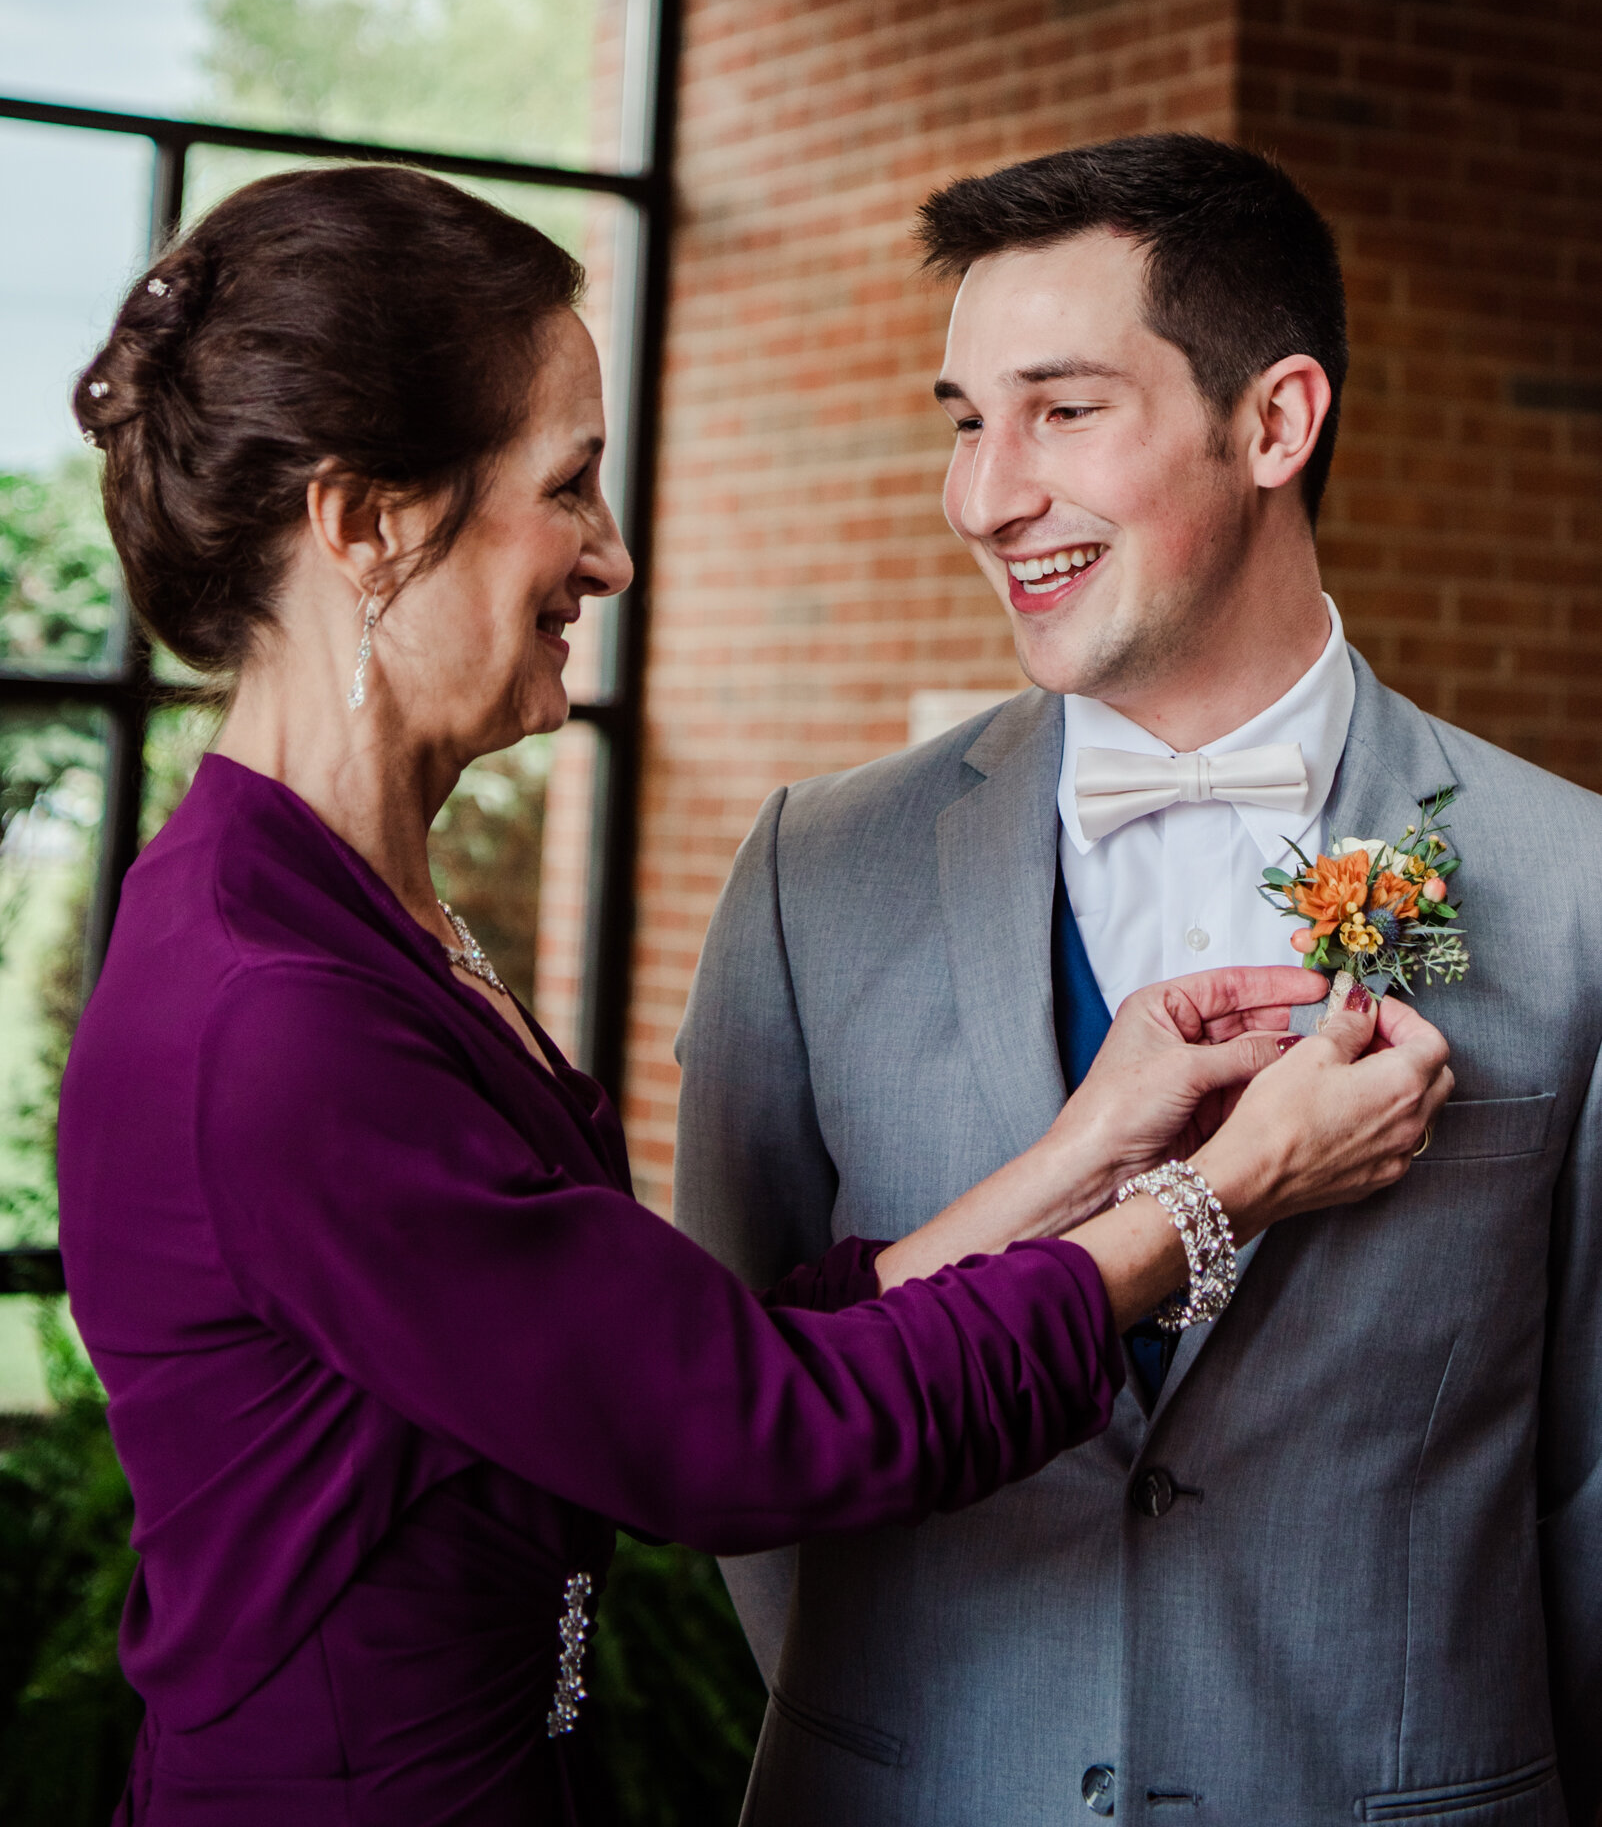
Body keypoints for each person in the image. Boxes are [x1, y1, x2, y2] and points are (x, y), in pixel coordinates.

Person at [56, 165, 1447, 1827]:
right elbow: (747, 1439)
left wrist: (1083, 1150)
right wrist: (1218, 1194)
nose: (612, 557)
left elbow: (686, 1359)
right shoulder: (271, 1013)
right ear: (361, 525)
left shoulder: (360, 916)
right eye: (567, 485)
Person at [675, 132, 1602, 1827]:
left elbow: (1590, 1484)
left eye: (1062, 411)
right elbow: (738, 1401)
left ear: (1273, 423)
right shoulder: (817, 870)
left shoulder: (1575, 891)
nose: (982, 493)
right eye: (964, 419)